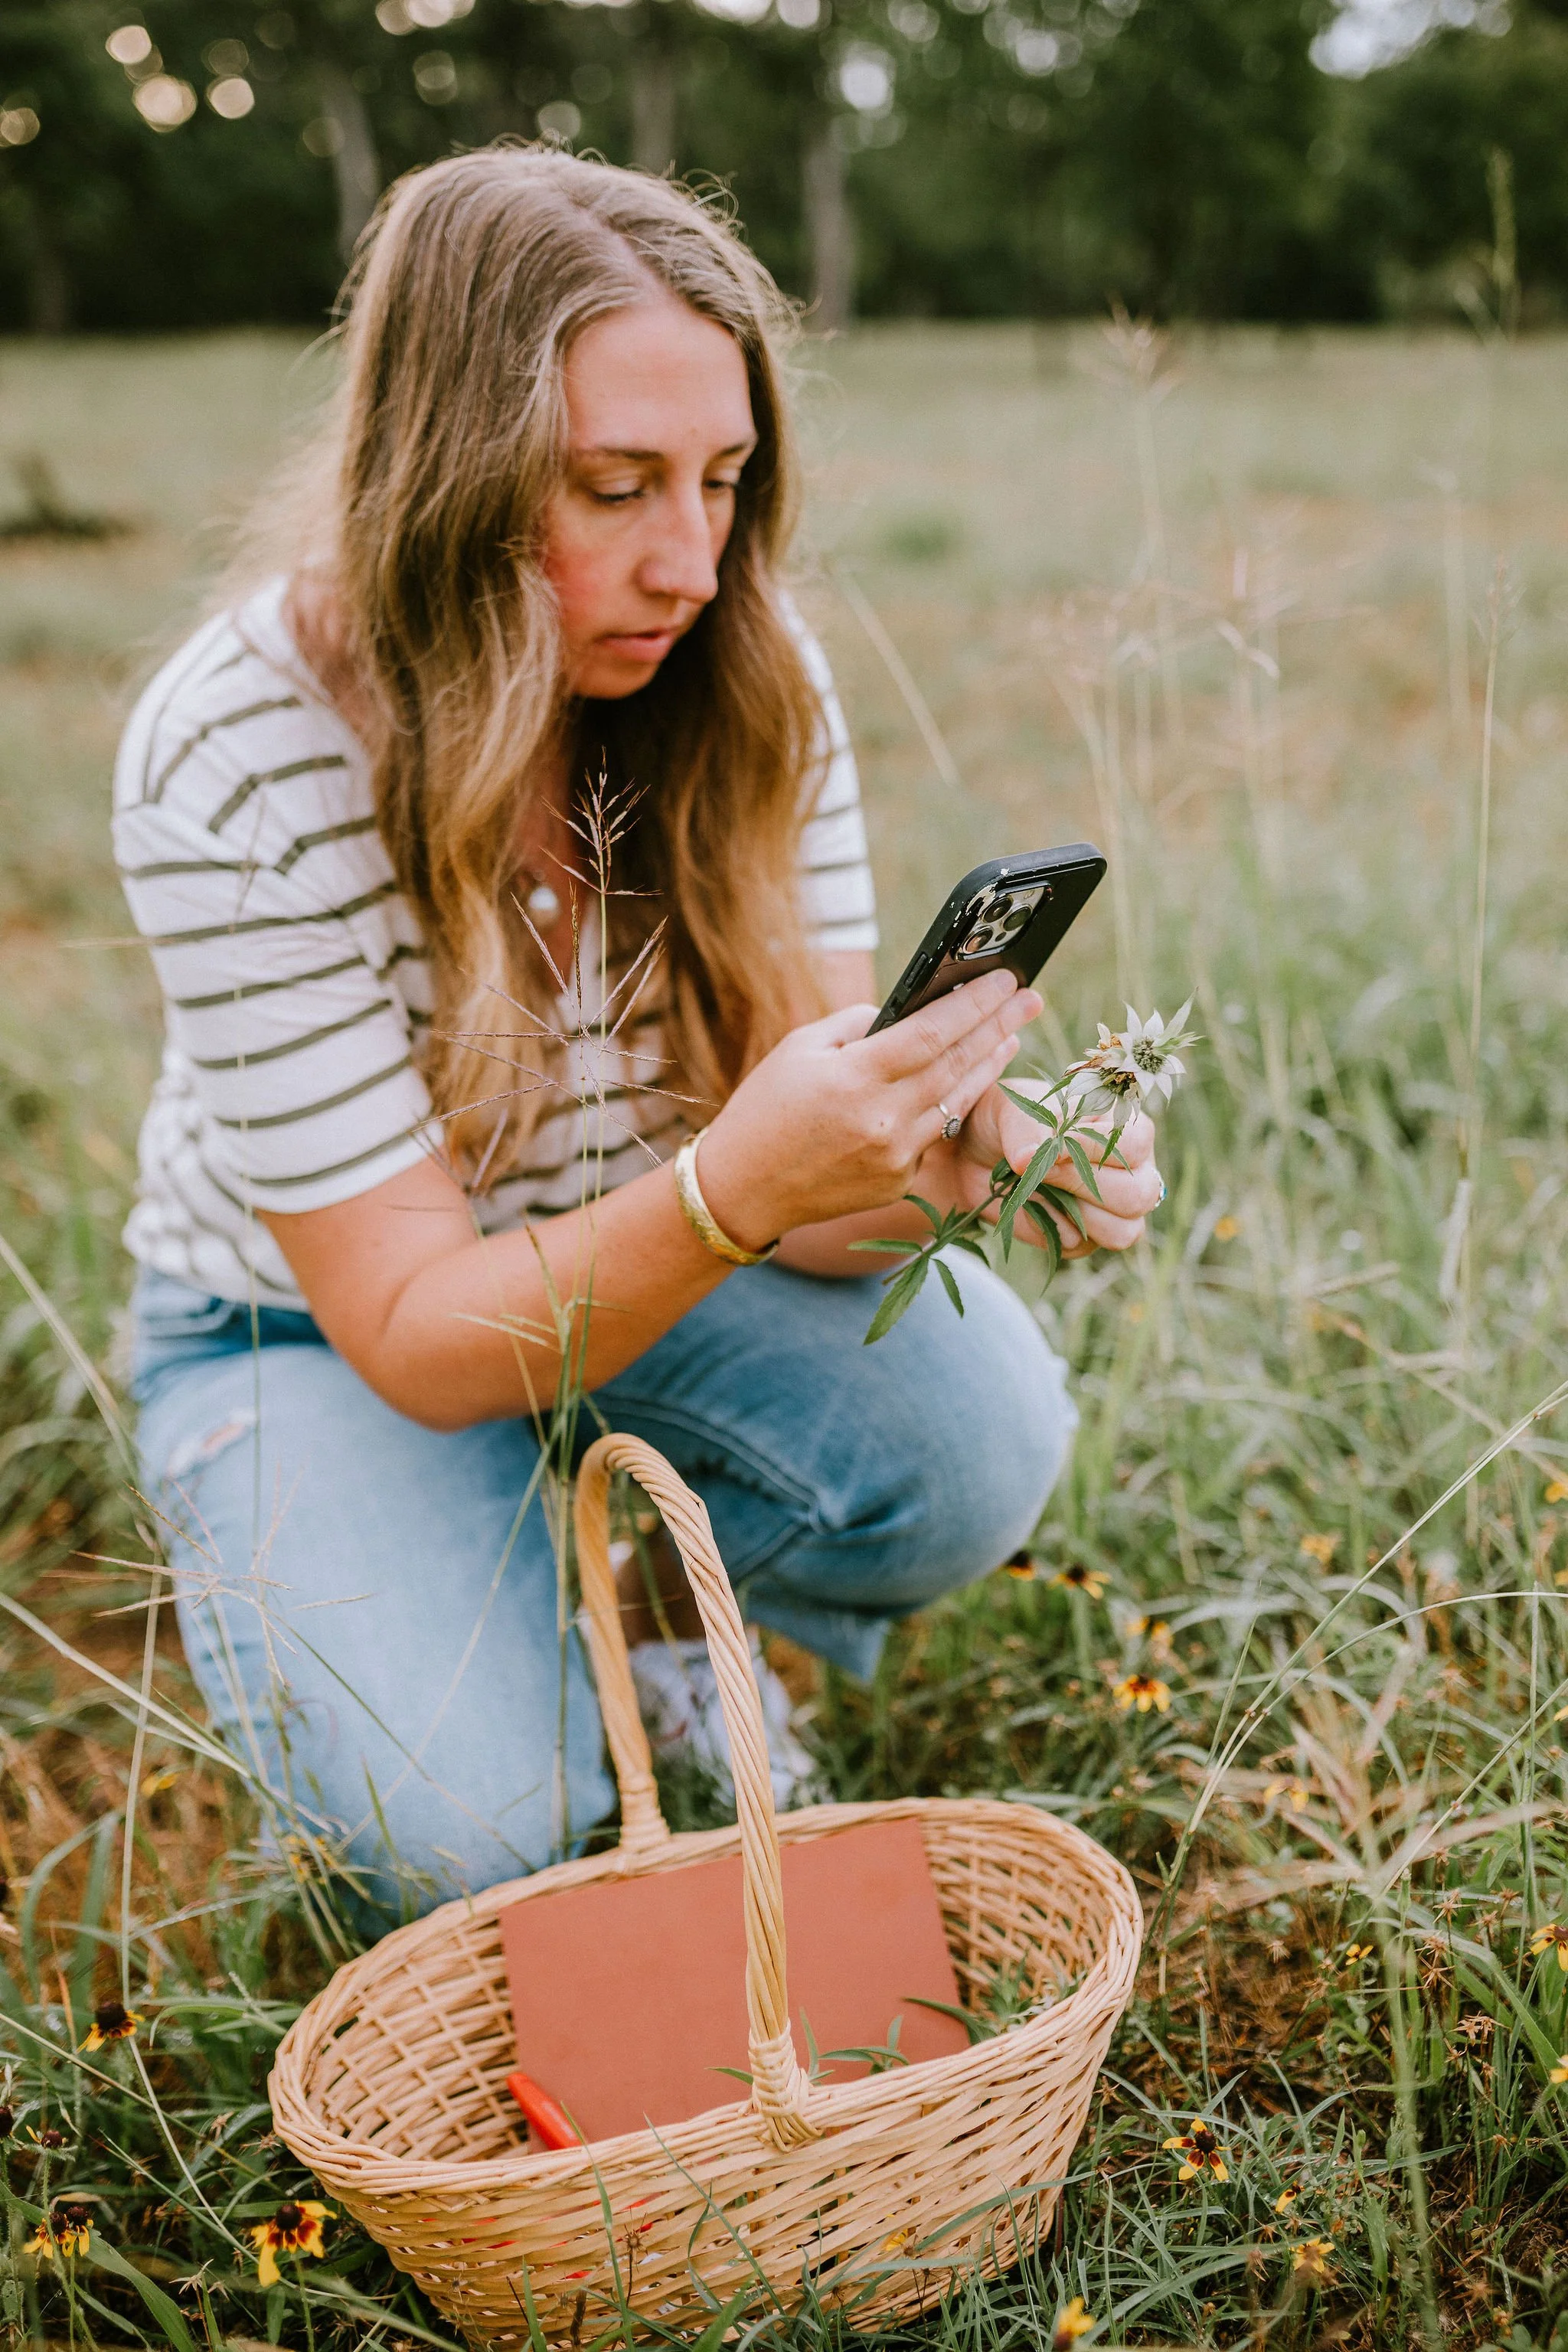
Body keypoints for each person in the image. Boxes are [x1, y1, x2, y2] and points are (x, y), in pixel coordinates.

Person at [115, 145, 1161, 1920]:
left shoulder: (744, 677)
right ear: (441, 474)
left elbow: (813, 1195)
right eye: (614, 487)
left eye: (726, 480)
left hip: (658, 1262)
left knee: (974, 1436)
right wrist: (735, 1189)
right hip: (321, 1337)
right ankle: (451, 1572)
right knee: (463, 1838)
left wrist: (956, 1152)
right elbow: (416, 1326)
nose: (689, 560)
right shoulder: (234, 755)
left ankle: (672, 1617)